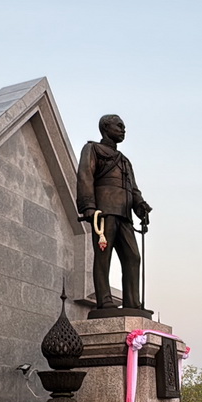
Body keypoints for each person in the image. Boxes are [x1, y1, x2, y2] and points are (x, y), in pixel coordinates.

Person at [75, 114, 154, 311]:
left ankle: (132, 302)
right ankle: (105, 300)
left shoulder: (125, 160)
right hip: (104, 212)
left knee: (133, 257)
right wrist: (89, 207)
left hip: (125, 215)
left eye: (123, 126)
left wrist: (140, 206)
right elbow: (85, 175)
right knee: (104, 256)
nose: (122, 129)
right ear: (105, 127)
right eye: (118, 125)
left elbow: (133, 188)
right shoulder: (92, 148)